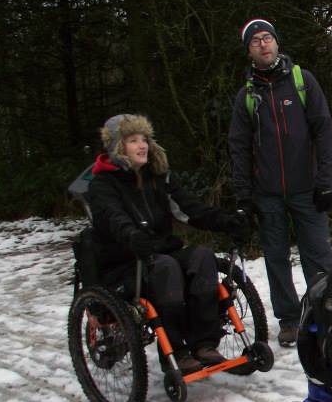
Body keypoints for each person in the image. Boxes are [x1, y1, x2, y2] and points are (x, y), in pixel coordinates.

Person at [88, 114, 249, 374]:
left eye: (145, 139)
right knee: (167, 268)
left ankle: (205, 344)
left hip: (161, 253)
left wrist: (226, 221)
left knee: (202, 257)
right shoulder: (102, 186)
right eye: (133, 140)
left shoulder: (159, 178)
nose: (142, 145)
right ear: (118, 147)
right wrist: (132, 236)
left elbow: (190, 209)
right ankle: (176, 351)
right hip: (125, 261)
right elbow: (113, 218)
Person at [228, 18, 332, 348]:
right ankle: (289, 320)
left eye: (268, 38)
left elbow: (324, 130)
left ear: (277, 43)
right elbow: (239, 146)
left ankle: (326, 315)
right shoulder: (246, 95)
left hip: (307, 188)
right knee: (275, 257)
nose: (264, 44)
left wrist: (326, 180)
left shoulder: (303, 82)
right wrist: (243, 195)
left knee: (317, 255)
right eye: (256, 41)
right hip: (268, 193)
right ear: (249, 51)